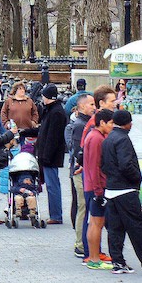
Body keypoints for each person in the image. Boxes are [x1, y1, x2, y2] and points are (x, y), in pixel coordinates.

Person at [101, 109, 142, 275]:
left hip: (111, 190)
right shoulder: (123, 139)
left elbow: (103, 165)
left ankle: (118, 262)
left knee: (115, 229)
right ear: (128, 123)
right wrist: (136, 178)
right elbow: (126, 164)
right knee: (137, 228)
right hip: (126, 190)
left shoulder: (107, 140)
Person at [81, 109, 115, 269]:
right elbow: (94, 166)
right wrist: (98, 191)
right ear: (102, 122)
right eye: (110, 123)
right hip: (96, 187)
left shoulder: (96, 136)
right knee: (96, 222)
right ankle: (94, 258)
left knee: (95, 222)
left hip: (93, 186)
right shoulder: (96, 139)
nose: (112, 126)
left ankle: (94, 257)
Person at [65, 93, 94, 258]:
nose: (93, 107)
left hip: (83, 170)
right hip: (79, 171)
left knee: (84, 206)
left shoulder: (86, 123)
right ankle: (80, 243)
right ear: (82, 106)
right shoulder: (79, 125)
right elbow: (77, 151)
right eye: (91, 104)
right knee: (82, 206)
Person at [34, 84, 67, 225]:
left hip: (50, 156)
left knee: (52, 185)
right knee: (52, 184)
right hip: (48, 154)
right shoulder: (52, 110)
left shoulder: (56, 113)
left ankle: (56, 214)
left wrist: (45, 156)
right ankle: (55, 213)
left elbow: (53, 137)